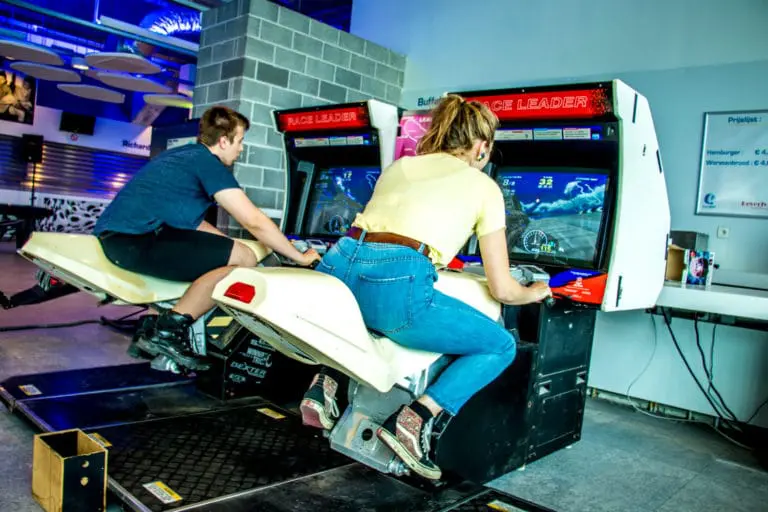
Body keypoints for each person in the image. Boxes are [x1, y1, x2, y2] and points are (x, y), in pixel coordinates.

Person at [299, 95, 551, 480]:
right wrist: (534, 291)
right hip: (396, 280)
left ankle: (324, 383)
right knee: (500, 345)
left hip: (339, 262)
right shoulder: (484, 187)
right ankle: (415, 418)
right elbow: (503, 289)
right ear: (482, 146)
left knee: (360, 316)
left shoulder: (401, 166)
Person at [93, 106, 320, 370]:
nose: (241, 149)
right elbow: (253, 221)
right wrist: (299, 257)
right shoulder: (207, 163)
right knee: (245, 260)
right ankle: (167, 331)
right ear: (223, 141)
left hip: (123, 239)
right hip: (134, 242)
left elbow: (193, 223)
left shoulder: (184, 156)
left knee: (236, 254)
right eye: (240, 141)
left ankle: (152, 328)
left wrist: (229, 246)